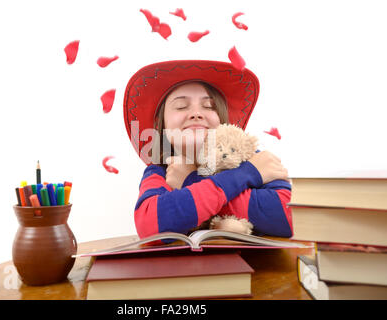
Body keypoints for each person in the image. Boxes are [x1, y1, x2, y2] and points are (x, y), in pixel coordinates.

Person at [123, 60, 292, 239]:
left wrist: (189, 181)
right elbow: (152, 224)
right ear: (162, 124)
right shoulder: (158, 172)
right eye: (181, 106)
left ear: (222, 119)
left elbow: (289, 217)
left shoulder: (253, 160)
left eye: (209, 106)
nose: (196, 113)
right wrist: (245, 175)